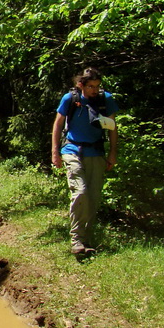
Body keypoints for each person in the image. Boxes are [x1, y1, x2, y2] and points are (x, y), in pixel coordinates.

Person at [51, 67, 119, 259]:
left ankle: (86, 240)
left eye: (97, 86)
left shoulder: (106, 100)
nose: (94, 90)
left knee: (93, 197)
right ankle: (76, 240)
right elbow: (57, 124)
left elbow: (113, 128)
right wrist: (55, 152)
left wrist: (113, 153)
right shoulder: (70, 99)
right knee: (80, 192)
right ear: (81, 84)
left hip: (95, 151)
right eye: (90, 86)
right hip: (72, 150)